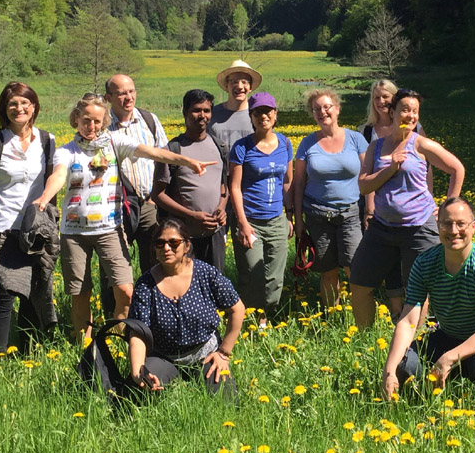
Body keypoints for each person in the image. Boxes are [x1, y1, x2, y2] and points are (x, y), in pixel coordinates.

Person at [34, 93, 214, 342]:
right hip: (74, 233)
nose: (92, 126)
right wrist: (45, 197)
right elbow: (58, 176)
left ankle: (119, 339)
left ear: (105, 121)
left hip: (110, 229)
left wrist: (186, 161)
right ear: (76, 119)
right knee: (80, 293)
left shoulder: (115, 142)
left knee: (125, 290)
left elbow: (152, 152)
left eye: (98, 121)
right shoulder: (67, 151)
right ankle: (83, 346)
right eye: (86, 120)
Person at [382, 197, 475, 400]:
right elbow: (408, 321)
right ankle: (453, 374)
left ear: (473, 227)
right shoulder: (424, 263)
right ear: (438, 226)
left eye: (461, 224)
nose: (454, 230)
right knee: (403, 365)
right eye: (447, 224)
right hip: (449, 335)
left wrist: (448, 357)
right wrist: (389, 370)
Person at [350, 88, 465, 328]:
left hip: (418, 228)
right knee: (359, 284)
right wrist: (390, 168)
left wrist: (446, 208)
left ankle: (414, 343)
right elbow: (363, 186)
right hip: (381, 228)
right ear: (392, 113)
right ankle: (363, 339)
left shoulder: (422, 145)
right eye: (405, 110)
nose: (411, 116)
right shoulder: (376, 147)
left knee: (417, 290)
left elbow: (457, 169)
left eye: (415, 111)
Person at [0, 82, 57, 354]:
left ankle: (28, 353)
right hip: (2, 229)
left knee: (33, 292)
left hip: (36, 231)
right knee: (4, 295)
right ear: (4, 109)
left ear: (34, 107)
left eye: (25, 103)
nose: (19, 109)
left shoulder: (47, 140)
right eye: (13, 105)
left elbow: (53, 182)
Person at [127, 218, 245, 397]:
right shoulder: (145, 284)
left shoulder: (205, 273)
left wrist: (224, 353)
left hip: (204, 352)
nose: (166, 248)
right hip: (163, 355)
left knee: (226, 400)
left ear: (187, 246)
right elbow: (138, 332)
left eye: (173, 243)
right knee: (140, 391)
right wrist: (138, 371)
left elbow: (237, 309)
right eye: (160, 243)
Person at [292, 88, 368, 308]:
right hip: (317, 215)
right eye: (316, 109)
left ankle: (360, 315)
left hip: (350, 214)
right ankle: (332, 317)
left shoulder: (356, 139)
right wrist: (298, 221)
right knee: (327, 272)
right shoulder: (307, 144)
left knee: (354, 267)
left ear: (337, 109)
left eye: (327, 107)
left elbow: (367, 176)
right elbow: (299, 183)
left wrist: (370, 211)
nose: (322, 112)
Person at [360, 78, 429, 316]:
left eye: (386, 97)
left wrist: (435, 203)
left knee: (415, 274)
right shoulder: (367, 132)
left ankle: (413, 325)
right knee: (387, 267)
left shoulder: (414, 129)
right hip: (380, 210)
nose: (381, 101)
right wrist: (369, 210)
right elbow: (366, 175)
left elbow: (425, 170)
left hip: (414, 215)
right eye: (376, 97)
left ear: (394, 101)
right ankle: (396, 311)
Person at [229, 91, 293, 326]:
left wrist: (290, 215)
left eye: (267, 111)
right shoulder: (242, 147)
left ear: (275, 114)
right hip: (251, 221)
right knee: (253, 275)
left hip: (277, 218)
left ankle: (269, 310)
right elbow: (235, 187)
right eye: (257, 112)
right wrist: (243, 224)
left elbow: (287, 182)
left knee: (275, 278)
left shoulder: (285, 143)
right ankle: (256, 321)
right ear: (251, 116)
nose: (263, 116)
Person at [151, 89, 230, 271]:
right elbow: (158, 195)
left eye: (207, 110)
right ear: (185, 112)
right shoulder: (171, 151)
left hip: (214, 234)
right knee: (183, 286)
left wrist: (221, 208)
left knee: (214, 284)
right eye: (196, 110)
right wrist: (192, 215)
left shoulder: (220, 147)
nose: (202, 115)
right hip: (183, 238)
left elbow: (223, 187)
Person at [104, 73, 169, 274]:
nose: (129, 97)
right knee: (114, 265)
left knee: (153, 260)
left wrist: (156, 197)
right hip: (115, 206)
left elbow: (164, 158)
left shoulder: (149, 120)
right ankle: (113, 306)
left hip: (147, 203)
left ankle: (150, 303)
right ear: (108, 97)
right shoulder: (101, 125)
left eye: (131, 91)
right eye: (122, 93)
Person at [208, 59, 262, 152]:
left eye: (244, 82)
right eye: (234, 82)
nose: (240, 86)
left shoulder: (259, 115)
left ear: (250, 87)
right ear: (226, 86)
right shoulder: (211, 115)